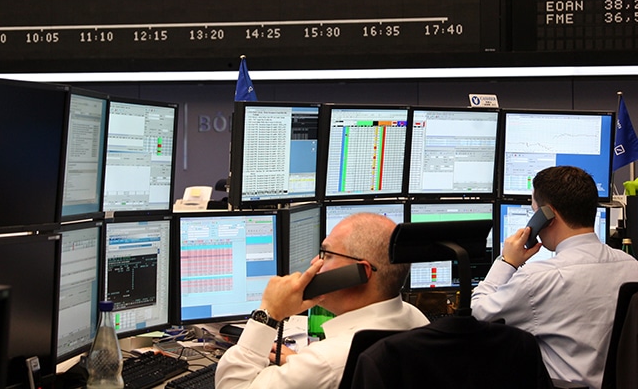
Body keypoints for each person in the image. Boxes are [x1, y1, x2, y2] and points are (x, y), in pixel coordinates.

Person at [214, 213, 429, 389]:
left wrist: (268, 313)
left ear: (359, 272)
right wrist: (298, 365)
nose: (314, 262)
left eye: (326, 254)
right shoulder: (415, 318)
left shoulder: (324, 362)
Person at [472, 166, 638, 389]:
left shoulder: (538, 279)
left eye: (534, 212)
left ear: (547, 216)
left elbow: (478, 317)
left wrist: (507, 262)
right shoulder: (632, 266)